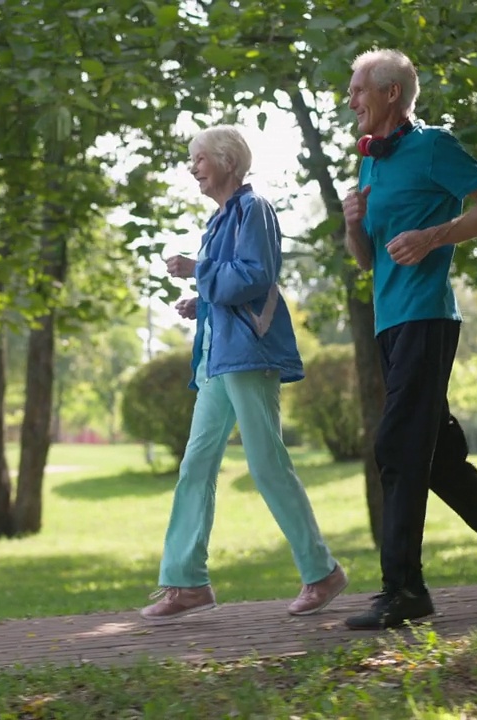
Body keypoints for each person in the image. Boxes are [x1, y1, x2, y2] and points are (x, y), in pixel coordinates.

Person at [340, 49, 477, 631]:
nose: (350, 100)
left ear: (389, 93)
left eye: (358, 90)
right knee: (435, 457)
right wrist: (353, 224)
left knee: (396, 448)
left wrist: (434, 236)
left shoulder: (434, 146)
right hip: (391, 322)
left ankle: (404, 589)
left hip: (427, 318)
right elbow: (363, 261)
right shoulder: (371, 162)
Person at [140, 126, 348, 621]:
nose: (192, 167)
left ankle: (322, 573)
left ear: (228, 160)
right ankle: (187, 583)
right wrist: (201, 299)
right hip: (217, 357)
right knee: (196, 463)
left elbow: (256, 274)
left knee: (266, 463)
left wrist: (198, 272)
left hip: (249, 354)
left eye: (199, 158)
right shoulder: (219, 220)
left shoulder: (253, 210)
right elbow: (230, 283)